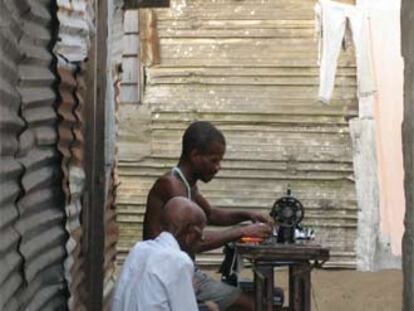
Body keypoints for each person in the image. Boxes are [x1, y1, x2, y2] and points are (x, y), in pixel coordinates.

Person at [143, 121, 274, 311]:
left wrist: (247, 214)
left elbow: (211, 214)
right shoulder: (171, 185)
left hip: (179, 271)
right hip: (166, 275)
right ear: (195, 155)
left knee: (268, 295)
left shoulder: (187, 184)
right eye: (214, 160)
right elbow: (195, 241)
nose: (218, 167)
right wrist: (242, 231)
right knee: (255, 304)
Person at [113, 197, 213, 311]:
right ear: (191, 234)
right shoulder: (180, 261)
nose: (203, 239)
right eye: (201, 234)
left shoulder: (138, 249)